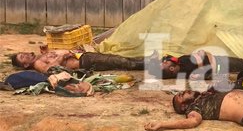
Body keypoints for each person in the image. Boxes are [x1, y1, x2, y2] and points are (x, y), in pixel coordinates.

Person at [10, 49, 143, 74]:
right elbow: (49, 70)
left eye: (23, 53)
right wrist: (62, 57)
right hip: (84, 62)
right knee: (119, 61)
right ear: (25, 65)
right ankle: (149, 65)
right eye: (22, 57)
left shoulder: (40, 57)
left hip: (83, 56)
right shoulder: (37, 64)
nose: (26, 55)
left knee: (116, 59)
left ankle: (149, 63)